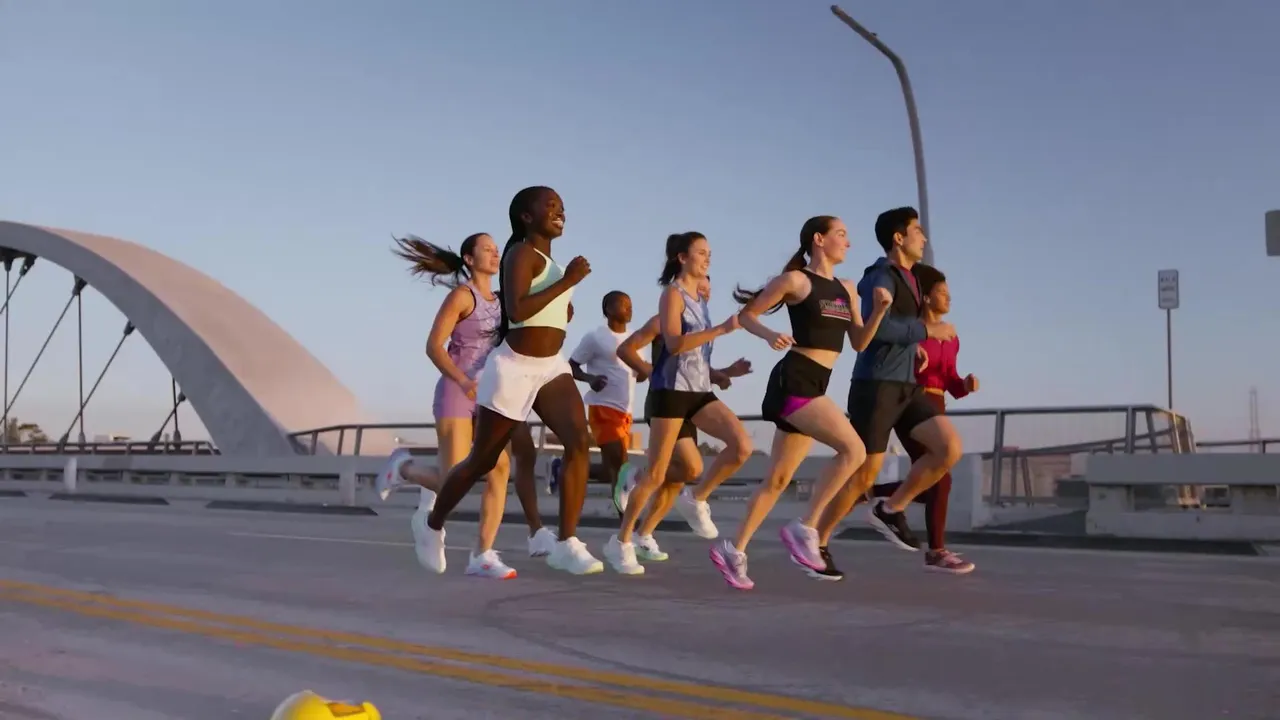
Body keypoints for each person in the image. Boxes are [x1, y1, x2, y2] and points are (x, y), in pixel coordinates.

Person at [377, 186, 603, 576]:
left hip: (549, 366)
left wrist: (560, 305)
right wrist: (567, 282)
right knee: (475, 464)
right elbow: (518, 311)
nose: (560, 210)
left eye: (562, 206)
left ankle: (558, 543)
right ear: (526, 217)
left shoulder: (532, 272)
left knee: (574, 443)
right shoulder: (517, 258)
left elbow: (522, 314)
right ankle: (430, 522)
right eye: (550, 205)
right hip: (497, 375)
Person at [710, 216, 893, 590]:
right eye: (841, 234)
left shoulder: (846, 288)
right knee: (854, 450)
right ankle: (806, 527)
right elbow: (746, 315)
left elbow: (859, 342)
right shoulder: (796, 281)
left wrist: (878, 311)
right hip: (795, 380)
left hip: (816, 382)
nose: (848, 242)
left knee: (778, 479)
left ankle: (733, 550)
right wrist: (769, 335)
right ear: (819, 239)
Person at [382, 233, 558, 578]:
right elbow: (434, 346)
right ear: (469, 259)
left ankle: (482, 555)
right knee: (454, 479)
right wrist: (463, 381)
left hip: (489, 397)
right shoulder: (462, 296)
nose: (494, 254)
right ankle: (404, 469)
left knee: (500, 469)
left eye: (496, 250)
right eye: (487, 249)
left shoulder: (504, 301)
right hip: (457, 392)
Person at [810, 206, 963, 578]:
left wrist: (914, 349)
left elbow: (901, 328)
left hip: (907, 386)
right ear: (898, 237)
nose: (923, 238)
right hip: (876, 387)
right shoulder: (880, 276)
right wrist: (926, 332)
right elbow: (877, 329)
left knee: (948, 449)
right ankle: (818, 540)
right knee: (862, 477)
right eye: (917, 231)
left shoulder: (911, 278)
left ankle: (890, 508)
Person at [602, 232, 751, 575]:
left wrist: (724, 373)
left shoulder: (701, 306)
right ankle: (622, 540)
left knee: (733, 450)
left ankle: (694, 499)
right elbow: (673, 345)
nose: (708, 260)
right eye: (701, 253)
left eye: (710, 254)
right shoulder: (672, 297)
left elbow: (695, 361)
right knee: (658, 474)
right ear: (682, 258)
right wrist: (650, 371)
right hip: (669, 394)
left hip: (697, 393)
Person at [861, 263, 977, 574]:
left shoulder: (951, 336)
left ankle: (873, 494)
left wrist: (964, 385)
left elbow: (950, 378)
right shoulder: (910, 330)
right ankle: (936, 551)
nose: (949, 298)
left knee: (934, 478)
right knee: (941, 478)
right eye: (942, 292)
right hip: (911, 401)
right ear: (925, 297)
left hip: (936, 406)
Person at [568, 291, 638, 498]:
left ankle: (560, 468)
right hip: (603, 407)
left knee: (611, 469)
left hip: (626, 411)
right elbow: (571, 366)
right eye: (623, 304)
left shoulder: (635, 339)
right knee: (621, 466)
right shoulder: (595, 337)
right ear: (608, 309)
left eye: (630, 304)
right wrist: (590, 379)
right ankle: (625, 517)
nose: (629, 308)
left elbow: (638, 373)